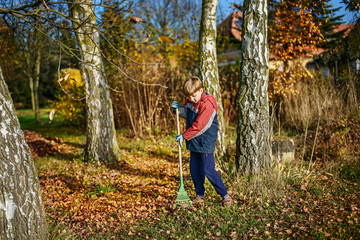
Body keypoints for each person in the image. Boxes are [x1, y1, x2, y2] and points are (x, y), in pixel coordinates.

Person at [171, 76, 232, 207]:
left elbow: (201, 125)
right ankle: (200, 195)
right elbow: (188, 114)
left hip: (205, 141)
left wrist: (184, 135)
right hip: (194, 141)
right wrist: (177, 110)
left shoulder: (207, 104)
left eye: (193, 96)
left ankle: (224, 195)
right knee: (194, 169)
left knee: (208, 169)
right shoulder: (191, 101)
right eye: (189, 97)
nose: (191, 99)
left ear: (201, 90)